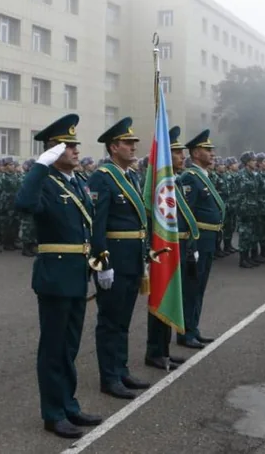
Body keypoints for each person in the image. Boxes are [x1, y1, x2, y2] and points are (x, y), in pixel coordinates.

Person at [15, 114, 102, 440]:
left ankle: (70, 405)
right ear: (53, 150)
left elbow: (89, 229)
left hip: (78, 274)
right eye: (70, 146)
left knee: (69, 347)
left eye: (77, 145)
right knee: (53, 349)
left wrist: (99, 264)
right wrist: (40, 166)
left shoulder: (77, 181)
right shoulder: (45, 182)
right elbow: (23, 203)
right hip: (55, 276)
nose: (77, 150)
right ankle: (53, 414)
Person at [88, 117, 152, 399]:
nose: (133, 147)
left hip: (132, 261)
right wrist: (101, 265)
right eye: (128, 143)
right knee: (110, 321)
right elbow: (95, 226)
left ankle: (121, 369)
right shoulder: (103, 177)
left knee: (123, 320)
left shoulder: (132, 176)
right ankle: (109, 377)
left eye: (134, 143)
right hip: (113, 261)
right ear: (114, 147)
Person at [145, 126, 199, 370]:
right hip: (164, 247)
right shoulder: (163, 182)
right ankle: (155, 351)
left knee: (173, 295)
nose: (182, 157)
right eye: (176, 153)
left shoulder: (175, 181)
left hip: (178, 244)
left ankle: (164, 349)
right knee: (163, 294)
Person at [177, 129, 225, 348]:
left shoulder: (204, 177)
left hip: (208, 240)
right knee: (191, 288)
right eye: (208, 150)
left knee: (200, 287)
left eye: (212, 149)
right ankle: (185, 332)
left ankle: (193, 328)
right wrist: (190, 246)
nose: (212, 153)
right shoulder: (190, 178)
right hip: (197, 240)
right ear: (196, 153)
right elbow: (187, 214)